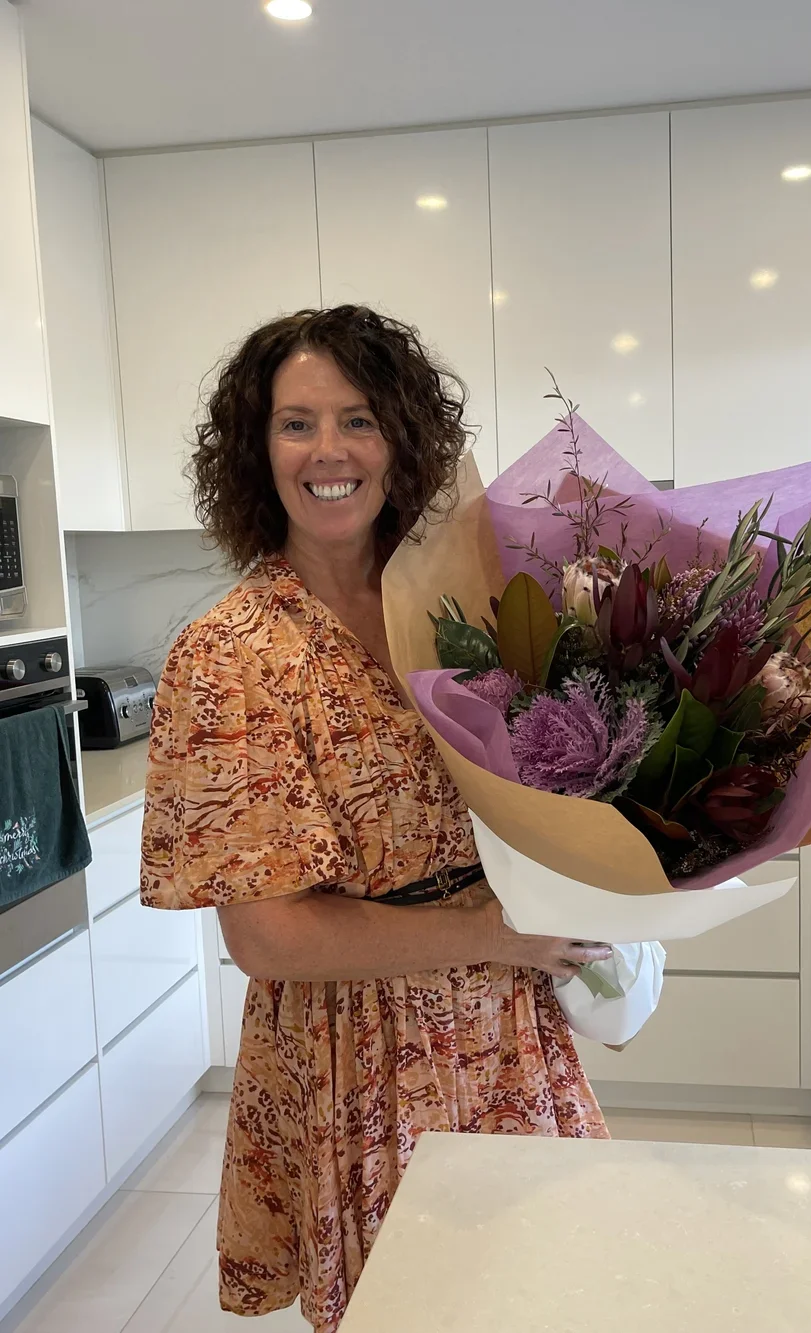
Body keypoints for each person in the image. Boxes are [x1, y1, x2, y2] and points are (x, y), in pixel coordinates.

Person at [139, 305, 611, 1332]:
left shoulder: (472, 607)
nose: (328, 451)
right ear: (255, 450)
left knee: (543, 1289)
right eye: (294, 422)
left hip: (509, 1018)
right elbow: (268, 934)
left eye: (356, 418)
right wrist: (492, 931)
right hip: (362, 1041)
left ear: (401, 437)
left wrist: (594, 902)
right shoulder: (230, 657)